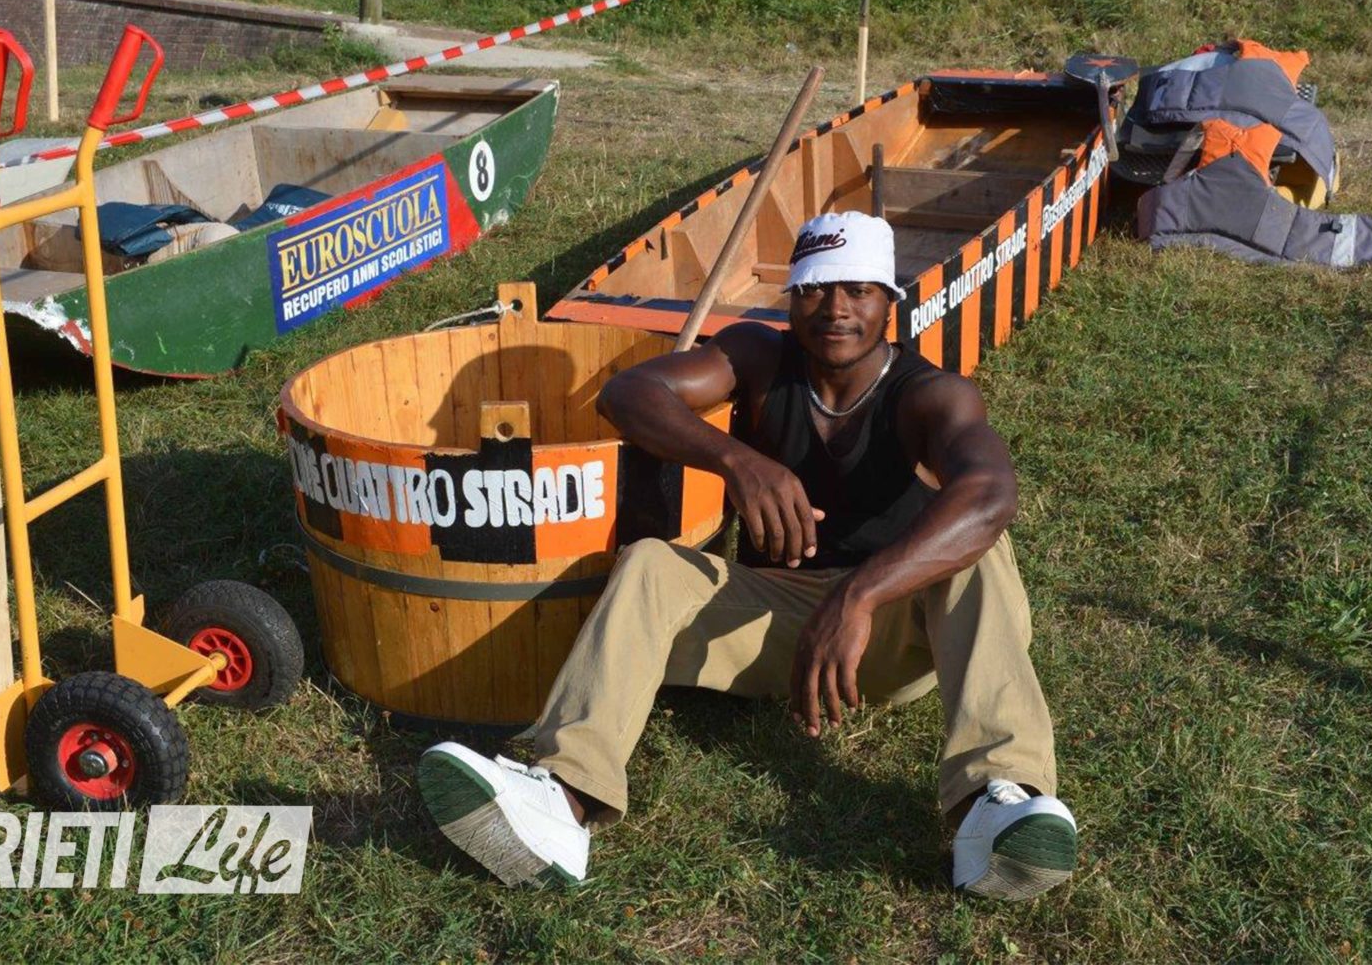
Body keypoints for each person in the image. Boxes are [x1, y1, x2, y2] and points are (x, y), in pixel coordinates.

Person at [417, 211, 1077, 899]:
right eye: (815, 290)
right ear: (790, 298)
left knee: (979, 552)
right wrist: (738, 461)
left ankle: (993, 807)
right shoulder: (758, 357)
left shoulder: (929, 394)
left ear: (889, 301)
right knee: (650, 564)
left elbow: (990, 494)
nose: (836, 309)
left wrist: (859, 596)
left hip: (890, 634)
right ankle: (563, 797)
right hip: (772, 624)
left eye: (858, 290)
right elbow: (629, 393)